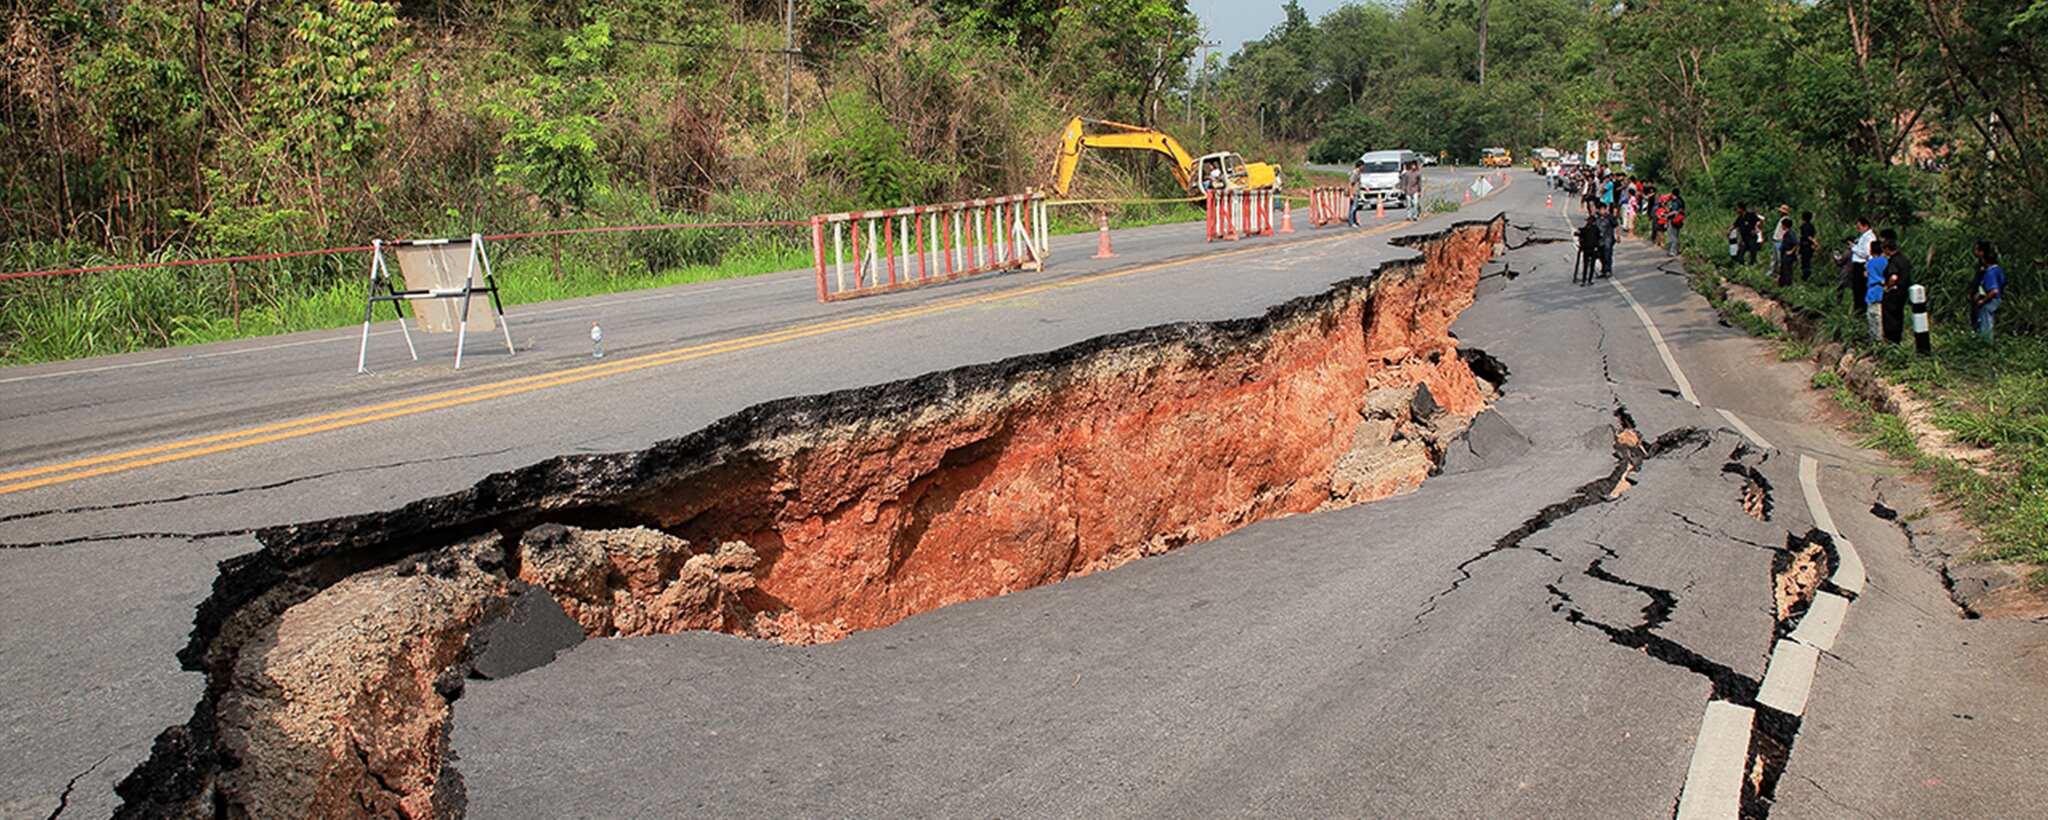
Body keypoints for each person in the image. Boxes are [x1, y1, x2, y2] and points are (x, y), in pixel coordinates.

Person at [1878, 231, 1912, 343]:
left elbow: (1893, 277)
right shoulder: (1904, 259)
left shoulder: (1893, 261)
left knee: (1889, 316)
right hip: (1903, 292)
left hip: (1893, 292)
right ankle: (1898, 339)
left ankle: (1891, 340)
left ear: (1887, 249)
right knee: (1899, 315)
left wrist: (1887, 286)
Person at [1973, 240, 2005, 341]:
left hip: (1990, 301)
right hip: (1997, 298)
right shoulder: (1997, 269)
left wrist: (1983, 300)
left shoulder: (1990, 273)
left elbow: (1994, 291)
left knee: (1986, 323)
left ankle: (1986, 345)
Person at [1842, 217, 1875, 313]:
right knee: (1856, 289)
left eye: (1859, 227)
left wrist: (1853, 247)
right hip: (1857, 265)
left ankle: (1861, 310)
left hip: (1862, 265)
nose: (1858, 229)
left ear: (1866, 226)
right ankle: (1858, 309)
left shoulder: (1869, 237)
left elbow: (1866, 253)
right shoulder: (1863, 236)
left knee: (1860, 289)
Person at [1863, 239, 1890, 340]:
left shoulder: (1870, 263)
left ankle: (1875, 339)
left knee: (1873, 318)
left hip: (1873, 291)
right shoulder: (1886, 261)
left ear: (1871, 251)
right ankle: (1882, 337)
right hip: (1884, 290)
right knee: (1881, 316)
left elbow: (1866, 274)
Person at [1577, 211, 1604, 287]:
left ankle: (1583, 281)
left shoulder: (1586, 229)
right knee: (1592, 265)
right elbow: (1600, 236)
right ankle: (1589, 280)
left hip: (1586, 249)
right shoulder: (1596, 229)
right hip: (1594, 249)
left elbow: (1580, 233)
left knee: (1585, 265)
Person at [1597, 202, 1619, 278]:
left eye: (1603, 209)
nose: (1602, 211)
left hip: (1608, 239)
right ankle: (1603, 270)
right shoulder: (1597, 218)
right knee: (1600, 255)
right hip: (1599, 240)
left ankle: (1608, 270)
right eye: (1600, 210)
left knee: (1607, 255)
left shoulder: (1610, 217)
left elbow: (1616, 226)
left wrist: (1618, 236)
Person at [1775, 217, 1798, 287]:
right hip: (1784, 254)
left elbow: (1796, 243)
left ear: (1785, 225)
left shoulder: (1790, 233)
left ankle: (1787, 285)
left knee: (1787, 270)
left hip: (1788, 255)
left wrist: (1791, 251)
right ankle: (1782, 284)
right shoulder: (1787, 233)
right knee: (1783, 269)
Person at [1665, 188, 1686, 256]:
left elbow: (1674, 211)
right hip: (1679, 220)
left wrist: (1666, 215)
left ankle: (1673, 251)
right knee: (1676, 235)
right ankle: (1676, 250)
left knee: (1672, 236)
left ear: (1672, 193)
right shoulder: (1681, 200)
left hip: (1673, 220)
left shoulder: (1675, 202)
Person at [1798, 211, 1817, 281]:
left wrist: (1814, 242)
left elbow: (1808, 236)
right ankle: (1807, 276)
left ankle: (1805, 277)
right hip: (1808, 246)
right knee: (1807, 261)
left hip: (1805, 246)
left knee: (1805, 262)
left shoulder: (1804, 226)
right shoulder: (1811, 226)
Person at [1346, 161, 1365, 227]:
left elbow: (1358, 183)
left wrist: (1364, 188)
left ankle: (1354, 221)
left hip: (1356, 192)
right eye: (1363, 166)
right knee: (1353, 208)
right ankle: (1351, 222)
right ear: (1360, 166)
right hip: (1353, 192)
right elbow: (1350, 184)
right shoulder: (1355, 173)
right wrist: (1351, 194)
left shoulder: (1358, 173)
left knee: (1355, 207)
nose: (1364, 167)